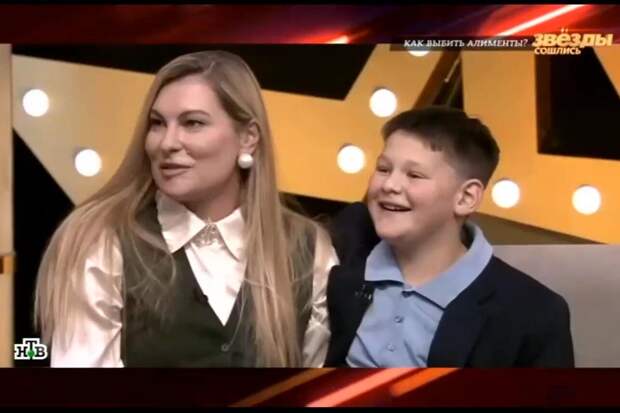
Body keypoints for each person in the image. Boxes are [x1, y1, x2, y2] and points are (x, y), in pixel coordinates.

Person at [34, 50, 338, 367]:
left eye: (193, 123)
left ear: (248, 138)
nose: (167, 143)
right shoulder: (103, 239)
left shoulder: (308, 249)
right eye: (157, 123)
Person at [325, 106, 574, 367]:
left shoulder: (535, 314)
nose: (389, 185)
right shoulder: (345, 249)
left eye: (414, 175)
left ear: (466, 197)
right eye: (384, 169)